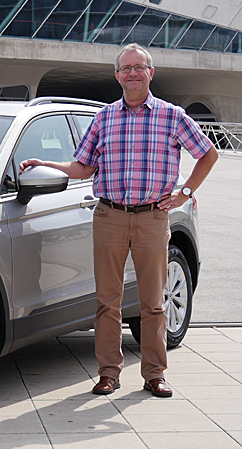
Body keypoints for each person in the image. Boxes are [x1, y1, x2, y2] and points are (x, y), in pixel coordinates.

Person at [20, 43, 218, 398]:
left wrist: (185, 193)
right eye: (125, 68)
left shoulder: (172, 116)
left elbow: (208, 153)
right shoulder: (104, 117)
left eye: (138, 67)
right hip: (109, 215)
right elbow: (84, 167)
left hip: (152, 219)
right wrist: (46, 164)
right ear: (117, 75)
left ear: (150, 73)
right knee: (107, 301)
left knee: (152, 302)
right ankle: (108, 372)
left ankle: (155, 374)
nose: (132, 73)